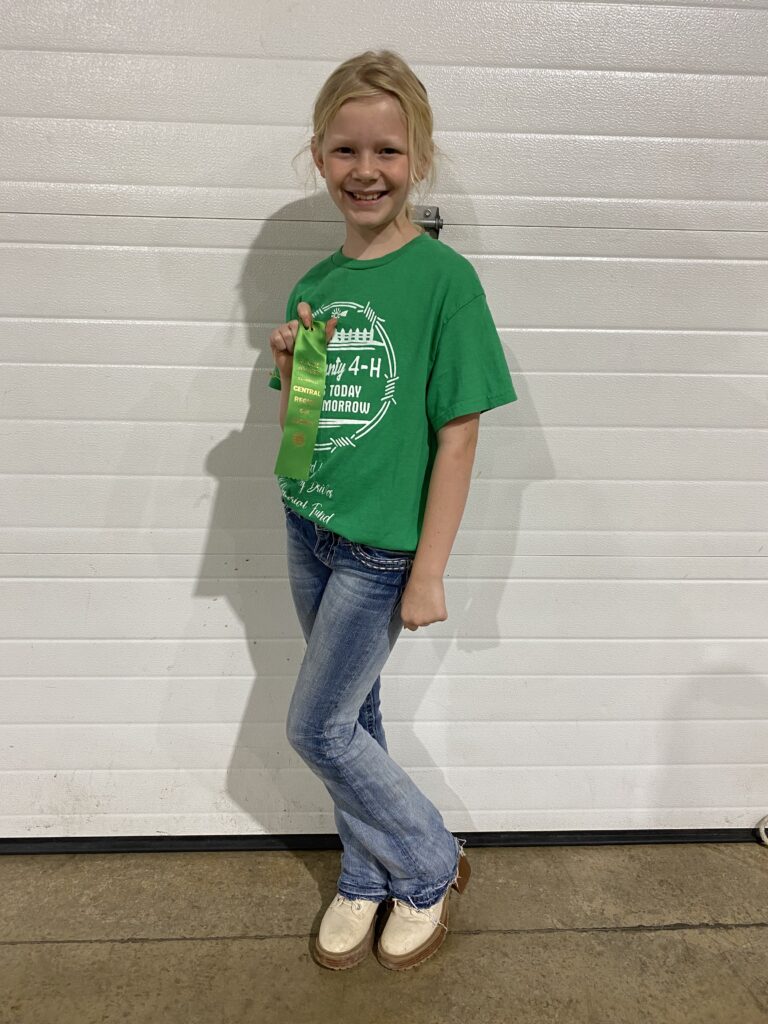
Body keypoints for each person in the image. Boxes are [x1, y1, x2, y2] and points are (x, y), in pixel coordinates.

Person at [267, 49, 517, 972]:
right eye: (343, 151)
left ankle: (424, 862)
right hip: (308, 525)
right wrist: (295, 374)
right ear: (319, 157)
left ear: (419, 159)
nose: (364, 170)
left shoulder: (445, 283)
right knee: (355, 719)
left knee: (316, 729)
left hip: (379, 553)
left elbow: (458, 439)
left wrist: (429, 569)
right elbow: (304, 439)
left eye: (387, 151)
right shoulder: (317, 286)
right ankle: (363, 876)